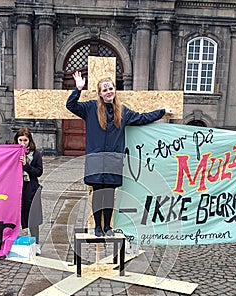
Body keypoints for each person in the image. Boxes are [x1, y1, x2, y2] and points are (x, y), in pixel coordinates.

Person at [66, 71, 174, 237]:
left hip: (113, 160)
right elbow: (71, 106)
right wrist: (78, 89)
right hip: (96, 160)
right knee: (97, 193)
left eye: (110, 88)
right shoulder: (90, 108)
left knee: (109, 194)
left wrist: (162, 112)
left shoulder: (122, 112)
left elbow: (142, 118)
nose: (108, 91)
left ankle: (108, 226)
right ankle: (97, 227)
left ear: (115, 90)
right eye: (104, 89)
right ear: (100, 94)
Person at [13, 127, 43, 255]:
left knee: (33, 217)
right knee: (15, 215)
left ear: (29, 140)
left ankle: (36, 243)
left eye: (25, 140)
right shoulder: (12, 152)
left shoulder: (36, 154)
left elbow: (38, 172)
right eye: (20, 140)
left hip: (30, 188)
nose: (23, 143)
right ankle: (12, 241)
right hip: (16, 188)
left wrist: (26, 165)